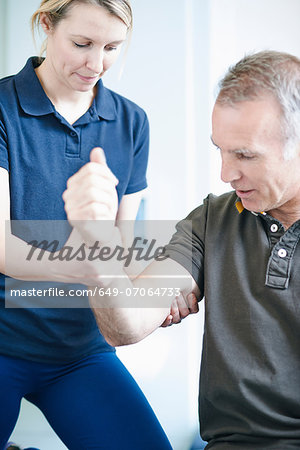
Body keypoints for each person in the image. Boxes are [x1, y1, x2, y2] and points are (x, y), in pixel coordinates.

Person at [63, 50, 300, 449]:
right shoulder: (214, 219)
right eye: (220, 150)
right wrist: (96, 244)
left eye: (244, 155)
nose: (225, 174)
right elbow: (128, 322)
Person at [0, 0, 174, 448]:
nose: (97, 64)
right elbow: (3, 246)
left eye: (113, 47)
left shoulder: (132, 122)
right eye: (82, 44)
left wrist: (153, 295)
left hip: (80, 350)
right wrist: (96, 266)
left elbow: (124, 248)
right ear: (46, 26)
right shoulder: (2, 107)